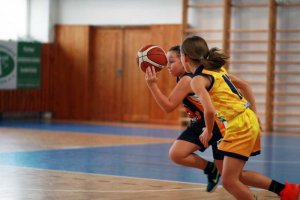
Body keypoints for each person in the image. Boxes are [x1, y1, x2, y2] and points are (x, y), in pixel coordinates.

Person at [180, 35, 300, 200]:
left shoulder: (197, 80)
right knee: (235, 176)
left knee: (229, 181)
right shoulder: (217, 70)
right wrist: (254, 115)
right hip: (245, 119)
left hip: (239, 125)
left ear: (184, 57)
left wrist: (208, 131)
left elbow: (209, 111)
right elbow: (245, 85)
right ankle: (288, 191)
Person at [144, 45, 223, 192]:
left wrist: (152, 85)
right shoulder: (190, 77)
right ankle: (278, 189)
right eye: (166, 62)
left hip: (212, 123)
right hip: (209, 122)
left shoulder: (187, 80)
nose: (167, 66)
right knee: (231, 178)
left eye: (171, 61)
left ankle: (211, 168)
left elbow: (168, 106)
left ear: (183, 59)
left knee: (177, 154)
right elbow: (241, 84)